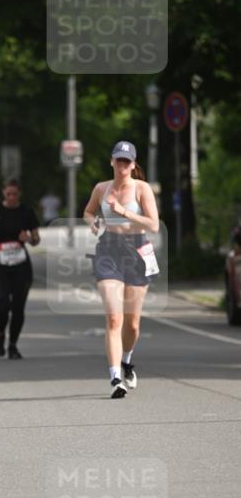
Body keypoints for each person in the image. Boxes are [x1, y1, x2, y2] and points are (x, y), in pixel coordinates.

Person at [83, 140, 160, 398]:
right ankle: (115, 376)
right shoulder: (101, 188)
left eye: (127, 161)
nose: (122, 165)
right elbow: (88, 211)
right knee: (114, 317)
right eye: (119, 160)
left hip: (137, 250)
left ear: (133, 164)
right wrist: (93, 222)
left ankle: (127, 361)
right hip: (108, 250)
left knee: (133, 323)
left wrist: (124, 213)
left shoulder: (142, 189)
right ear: (112, 162)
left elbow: (154, 225)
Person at [0, 179, 40, 359]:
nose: (11, 197)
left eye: (14, 194)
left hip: (21, 267)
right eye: (8, 194)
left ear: (19, 194)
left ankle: (12, 345)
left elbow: (36, 239)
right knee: (3, 305)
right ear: (4, 193)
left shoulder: (27, 212)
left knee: (18, 308)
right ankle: (0, 333)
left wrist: (28, 238)